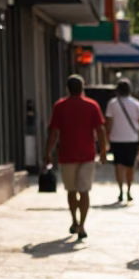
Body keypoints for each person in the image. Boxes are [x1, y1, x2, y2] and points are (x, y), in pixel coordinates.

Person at [45, 74, 107, 239]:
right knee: (84, 191)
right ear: (82, 88)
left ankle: (74, 220)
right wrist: (103, 151)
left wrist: (47, 152)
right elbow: (100, 130)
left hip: (67, 155)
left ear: (68, 88)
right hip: (87, 154)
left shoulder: (60, 106)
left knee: (71, 190)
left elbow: (53, 132)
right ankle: (82, 225)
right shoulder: (92, 105)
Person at [104, 78, 139, 203]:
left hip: (116, 139)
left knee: (118, 165)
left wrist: (106, 138)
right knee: (130, 166)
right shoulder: (136, 104)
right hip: (132, 139)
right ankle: (128, 190)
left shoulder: (112, 104)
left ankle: (120, 191)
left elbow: (108, 123)